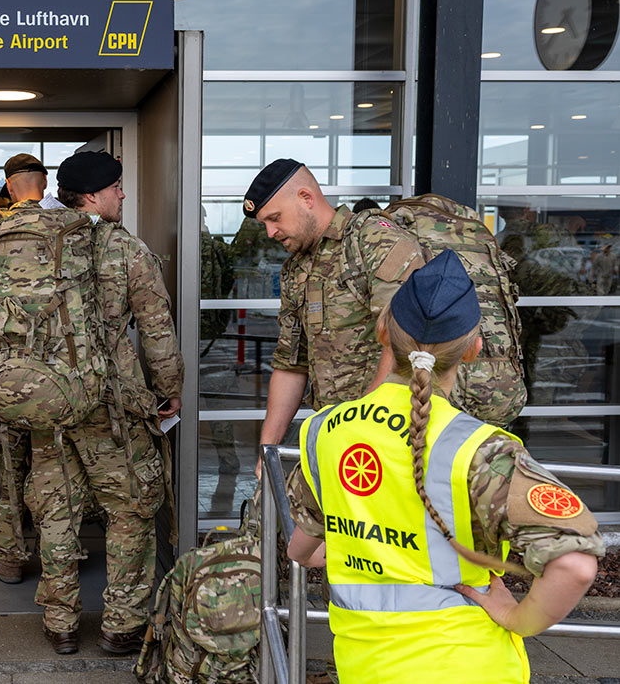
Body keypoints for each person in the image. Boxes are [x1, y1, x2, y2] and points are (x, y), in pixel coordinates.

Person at [285, 250, 603, 683]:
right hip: (467, 666)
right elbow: (576, 565)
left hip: (364, 667)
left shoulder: (325, 431)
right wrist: (519, 619)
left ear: (382, 332)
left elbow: (301, 549)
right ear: (472, 350)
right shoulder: (480, 451)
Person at [30, 151, 183, 655]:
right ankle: (120, 626)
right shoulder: (125, 249)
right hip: (111, 405)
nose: (123, 194)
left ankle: (61, 622)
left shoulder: (33, 244)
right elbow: (157, 331)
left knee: (56, 510)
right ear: (93, 195)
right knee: (130, 510)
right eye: (117, 186)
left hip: (47, 403)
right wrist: (168, 390)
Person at [245, 159, 426, 454]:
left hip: (388, 437)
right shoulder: (295, 269)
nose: (270, 232)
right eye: (265, 222)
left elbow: (403, 344)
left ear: (306, 198)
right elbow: (291, 364)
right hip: (336, 436)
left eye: (275, 218)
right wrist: (268, 451)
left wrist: (359, 426)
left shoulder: (373, 240)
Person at [0, 153, 49, 585]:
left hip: (7, 369)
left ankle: (9, 558)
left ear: (8, 189)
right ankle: (59, 555)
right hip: (61, 374)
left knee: (8, 464)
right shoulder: (71, 230)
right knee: (54, 465)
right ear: (45, 183)